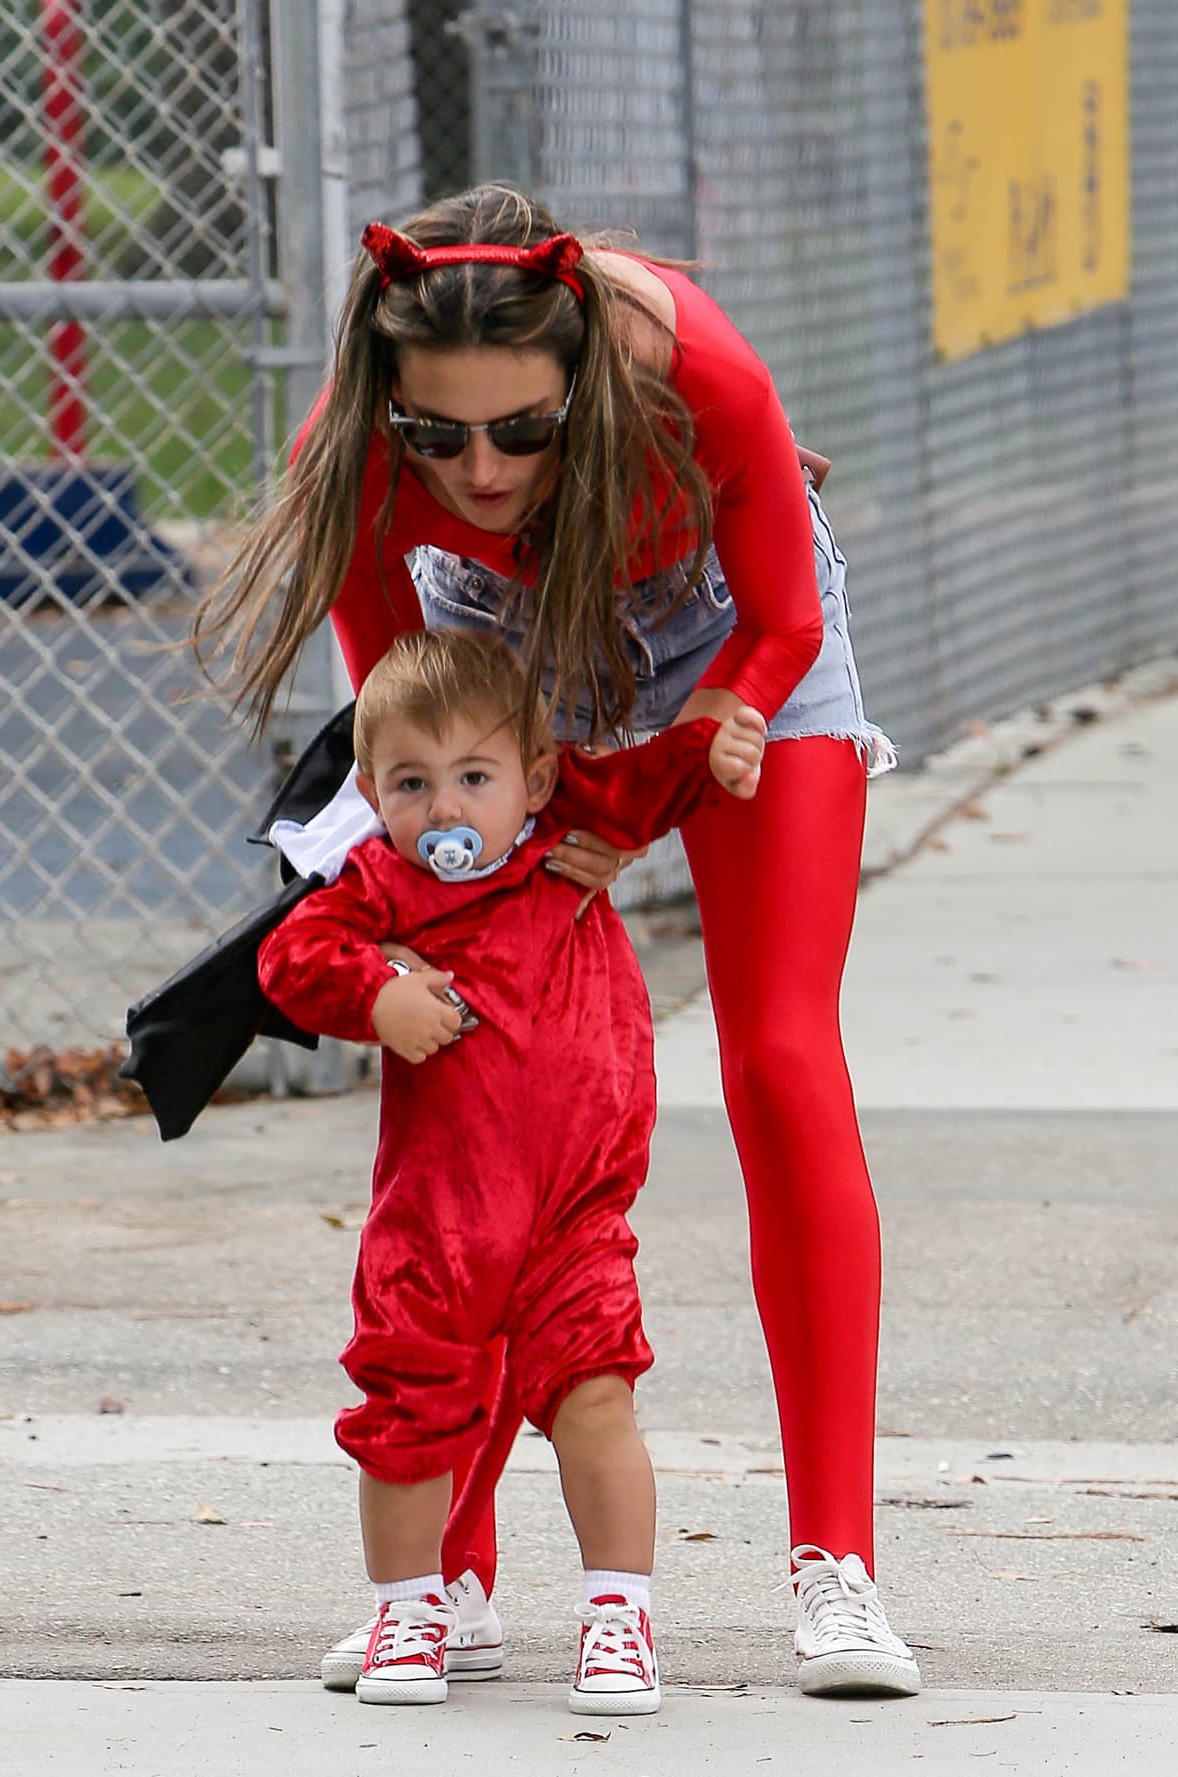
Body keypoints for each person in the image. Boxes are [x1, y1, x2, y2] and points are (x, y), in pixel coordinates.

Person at [194, 182, 920, 1700]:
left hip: (730, 645)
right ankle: (448, 1584)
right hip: (509, 661)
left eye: (522, 429)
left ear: (582, 381)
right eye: (438, 435)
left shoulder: (699, 377)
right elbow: (403, 726)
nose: (478, 467)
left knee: (781, 1055)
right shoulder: (358, 458)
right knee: (469, 1086)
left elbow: (781, 625)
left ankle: (835, 1569)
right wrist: (488, 848)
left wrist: (643, 800)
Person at [257, 628, 762, 1711]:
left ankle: (618, 1614)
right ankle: (410, 1609)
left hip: (573, 1214)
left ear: (533, 779)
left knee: (597, 1397)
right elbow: (291, 956)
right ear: (371, 795)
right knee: (407, 1416)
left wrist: (710, 748)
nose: (445, 807)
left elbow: (648, 779)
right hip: (437, 1220)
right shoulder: (382, 887)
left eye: (473, 778)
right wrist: (375, 992)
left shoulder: (571, 839)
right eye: (411, 784)